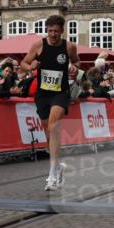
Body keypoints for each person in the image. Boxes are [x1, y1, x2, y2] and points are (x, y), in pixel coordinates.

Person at [20, 14, 79, 191]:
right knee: (48, 132)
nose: (53, 34)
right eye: (50, 31)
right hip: (43, 93)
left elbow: (76, 61)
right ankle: (59, 166)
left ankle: (52, 175)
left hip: (60, 92)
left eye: (56, 31)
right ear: (47, 30)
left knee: (53, 127)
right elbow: (23, 62)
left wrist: (75, 67)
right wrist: (30, 67)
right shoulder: (39, 45)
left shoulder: (69, 46)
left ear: (62, 31)